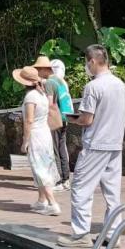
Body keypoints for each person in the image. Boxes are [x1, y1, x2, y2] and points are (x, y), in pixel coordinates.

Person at [58, 45, 125, 248]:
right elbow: (123, 112)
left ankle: (81, 234)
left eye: (85, 63)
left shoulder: (93, 87)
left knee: (80, 187)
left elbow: (87, 119)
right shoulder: (119, 84)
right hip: (115, 144)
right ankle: (113, 234)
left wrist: (72, 119)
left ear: (91, 62)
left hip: (96, 143)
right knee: (112, 192)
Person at [13, 65, 60, 216]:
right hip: (44, 133)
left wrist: (25, 141)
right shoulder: (41, 94)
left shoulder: (30, 97)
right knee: (42, 166)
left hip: (36, 135)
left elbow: (29, 121)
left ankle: (52, 203)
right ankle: (42, 200)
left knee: (40, 169)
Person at [49, 58, 75, 191]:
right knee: (62, 148)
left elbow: (50, 103)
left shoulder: (51, 82)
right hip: (66, 118)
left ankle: (59, 180)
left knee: (54, 149)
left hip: (55, 119)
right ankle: (66, 179)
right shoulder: (63, 82)